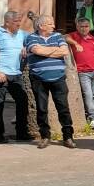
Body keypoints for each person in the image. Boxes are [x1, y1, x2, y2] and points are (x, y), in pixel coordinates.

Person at [24, 15, 75, 149]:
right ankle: (45, 136)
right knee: (41, 109)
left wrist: (45, 52)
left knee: (63, 108)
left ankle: (68, 136)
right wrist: (54, 51)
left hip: (58, 78)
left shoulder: (58, 36)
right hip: (38, 78)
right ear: (41, 26)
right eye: (50, 24)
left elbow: (64, 51)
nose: (53, 26)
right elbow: (36, 50)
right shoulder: (31, 38)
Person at [0, 11, 32, 143]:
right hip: (1, 74)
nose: (19, 24)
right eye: (16, 22)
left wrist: (27, 48)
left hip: (16, 74)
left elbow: (34, 38)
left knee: (23, 101)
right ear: (7, 22)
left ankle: (21, 133)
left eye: (20, 21)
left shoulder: (22, 34)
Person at [66, 17, 94, 130]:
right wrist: (76, 44)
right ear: (77, 27)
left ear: (89, 27)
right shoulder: (74, 36)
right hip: (83, 72)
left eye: (86, 26)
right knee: (87, 94)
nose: (84, 28)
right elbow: (65, 37)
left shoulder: (93, 39)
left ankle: (90, 116)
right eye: (81, 26)